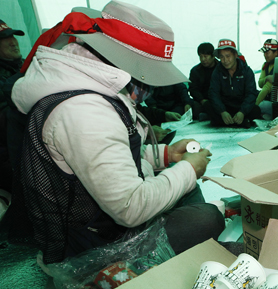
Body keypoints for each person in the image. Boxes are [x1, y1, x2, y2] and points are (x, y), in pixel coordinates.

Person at [9, 1, 224, 264]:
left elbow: (112, 158)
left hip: (98, 224)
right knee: (207, 217)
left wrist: (166, 156)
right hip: (91, 248)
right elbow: (130, 207)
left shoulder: (87, 89)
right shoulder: (85, 111)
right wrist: (190, 170)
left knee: (186, 193)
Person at [208, 38, 261, 128]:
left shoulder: (247, 71)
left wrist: (242, 112)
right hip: (225, 106)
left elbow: (251, 94)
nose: (225, 60)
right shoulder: (217, 71)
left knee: (256, 110)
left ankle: (229, 122)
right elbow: (213, 93)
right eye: (222, 57)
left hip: (241, 106)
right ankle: (242, 123)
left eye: (228, 56)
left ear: (235, 55)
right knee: (208, 106)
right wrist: (222, 111)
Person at [0, 19, 24, 195]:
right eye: (5, 38)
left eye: (13, 36)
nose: (13, 42)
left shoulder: (23, 65)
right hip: (9, 158)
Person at [189, 42, 217, 121]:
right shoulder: (195, 71)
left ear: (213, 56)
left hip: (218, 99)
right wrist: (202, 100)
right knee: (192, 107)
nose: (203, 59)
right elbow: (193, 89)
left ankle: (208, 115)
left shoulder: (221, 69)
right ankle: (211, 115)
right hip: (202, 101)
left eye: (205, 56)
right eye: (200, 56)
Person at [256, 38, 278, 120]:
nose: (265, 55)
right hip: (267, 99)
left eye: (268, 52)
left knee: (261, 106)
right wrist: (267, 78)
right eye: (264, 52)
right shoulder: (265, 65)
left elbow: (267, 87)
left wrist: (254, 107)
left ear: (276, 52)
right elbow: (260, 83)